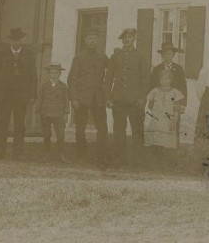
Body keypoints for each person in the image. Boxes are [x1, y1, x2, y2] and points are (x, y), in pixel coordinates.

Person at [0, 27, 38, 160]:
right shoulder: (2, 54)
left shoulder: (29, 54)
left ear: (23, 40)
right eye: (14, 40)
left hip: (22, 96)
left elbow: (33, 76)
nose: (16, 43)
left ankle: (18, 153)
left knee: (20, 124)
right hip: (5, 95)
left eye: (19, 40)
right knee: (2, 123)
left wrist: (33, 94)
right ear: (10, 40)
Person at [104, 27, 150, 166]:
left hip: (135, 100)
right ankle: (119, 159)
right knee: (119, 131)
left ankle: (137, 160)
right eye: (125, 38)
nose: (127, 40)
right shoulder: (115, 56)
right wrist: (108, 98)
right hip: (118, 100)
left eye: (130, 37)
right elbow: (108, 79)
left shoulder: (141, 56)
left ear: (134, 38)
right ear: (122, 40)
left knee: (137, 130)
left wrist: (142, 98)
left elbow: (146, 79)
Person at [67, 32, 109, 165]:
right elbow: (72, 78)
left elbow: (113, 70)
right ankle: (81, 155)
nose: (92, 41)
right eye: (90, 38)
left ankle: (101, 155)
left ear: (98, 41)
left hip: (98, 97)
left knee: (102, 127)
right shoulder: (79, 57)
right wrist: (74, 98)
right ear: (85, 40)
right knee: (80, 127)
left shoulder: (102, 56)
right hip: (82, 98)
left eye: (95, 38)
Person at [144, 67, 186, 162]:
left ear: (171, 80)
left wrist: (173, 120)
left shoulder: (175, 92)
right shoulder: (154, 91)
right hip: (157, 118)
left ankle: (166, 160)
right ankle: (155, 159)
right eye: (162, 79)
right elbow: (150, 106)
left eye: (167, 79)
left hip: (168, 118)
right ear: (159, 80)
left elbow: (176, 107)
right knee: (156, 138)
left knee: (166, 140)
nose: (164, 81)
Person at [36, 62, 69, 162]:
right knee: (46, 134)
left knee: (60, 134)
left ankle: (61, 154)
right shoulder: (44, 86)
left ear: (60, 74)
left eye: (56, 72)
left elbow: (66, 101)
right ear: (48, 74)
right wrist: (38, 112)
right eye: (52, 73)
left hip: (59, 113)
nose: (54, 75)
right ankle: (47, 153)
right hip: (46, 113)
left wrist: (66, 113)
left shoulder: (63, 86)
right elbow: (40, 100)